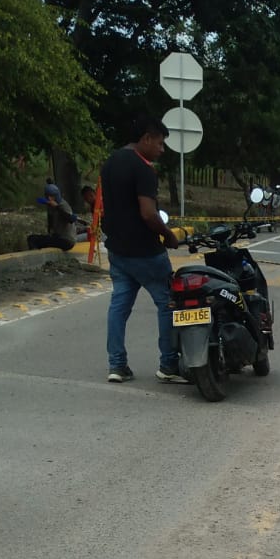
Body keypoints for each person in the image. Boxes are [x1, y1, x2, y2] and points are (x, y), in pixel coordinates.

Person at [99, 115, 183, 385]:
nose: (161, 149)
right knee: (168, 304)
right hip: (145, 252)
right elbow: (148, 213)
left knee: (119, 307)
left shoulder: (110, 163)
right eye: (159, 143)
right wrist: (168, 235)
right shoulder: (143, 168)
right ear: (146, 139)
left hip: (117, 250)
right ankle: (169, 365)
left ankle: (117, 365)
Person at [27, 182, 77, 250]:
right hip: (57, 237)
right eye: (48, 196)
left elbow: (71, 219)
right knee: (32, 238)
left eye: (52, 196)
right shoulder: (50, 206)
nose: (50, 199)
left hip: (66, 240)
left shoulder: (63, 205)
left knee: (33, 240)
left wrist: (57, 207)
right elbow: (38, 200)